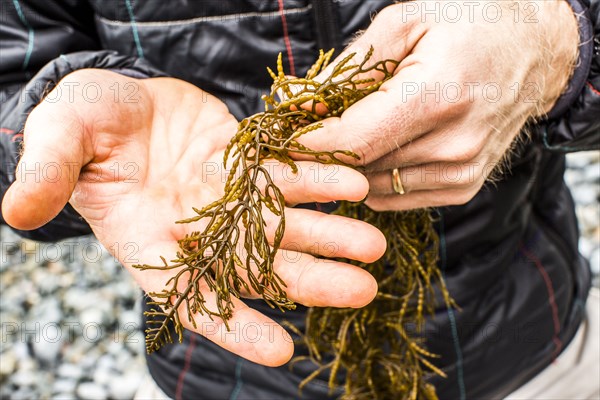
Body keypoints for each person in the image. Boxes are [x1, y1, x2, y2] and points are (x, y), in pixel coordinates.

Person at [1, 0, 598, 399]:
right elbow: (13, 71)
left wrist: (559, 44)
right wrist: (45, 127)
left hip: (523, 338)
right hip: (223, 365)